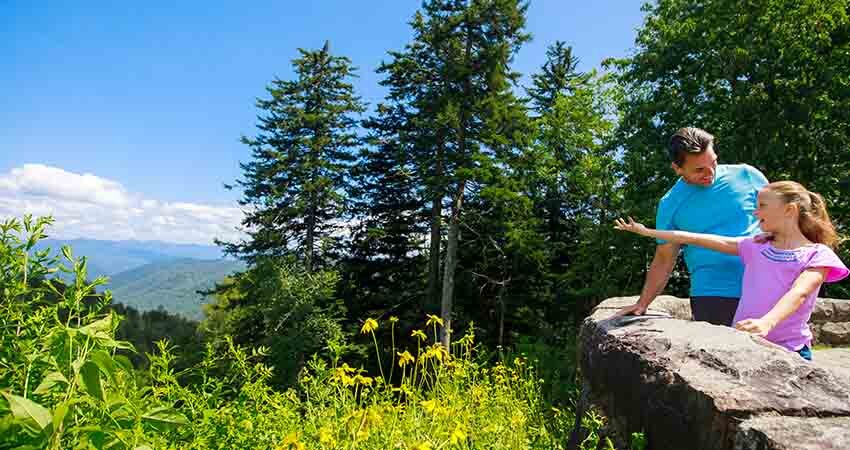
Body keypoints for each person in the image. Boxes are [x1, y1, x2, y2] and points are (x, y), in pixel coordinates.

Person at [614, 181, 848, 360]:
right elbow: (695, 237)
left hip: (791, 351)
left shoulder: (817, 254)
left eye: (762, 206)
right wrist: (649, 232)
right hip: (747, 345)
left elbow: (800, 293)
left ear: (790, 210)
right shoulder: (756, 246)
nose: (756, 213)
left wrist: (767, 322)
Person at [616, 127, 768, 325]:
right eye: (699, 170)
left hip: (767, 287)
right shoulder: (670, 204)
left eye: (713, 162)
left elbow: (781, 222)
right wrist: (642, 303)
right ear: (677, 168)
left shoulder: (747, 176)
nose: (710, 173)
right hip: (713, 296)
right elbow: (663, 259)